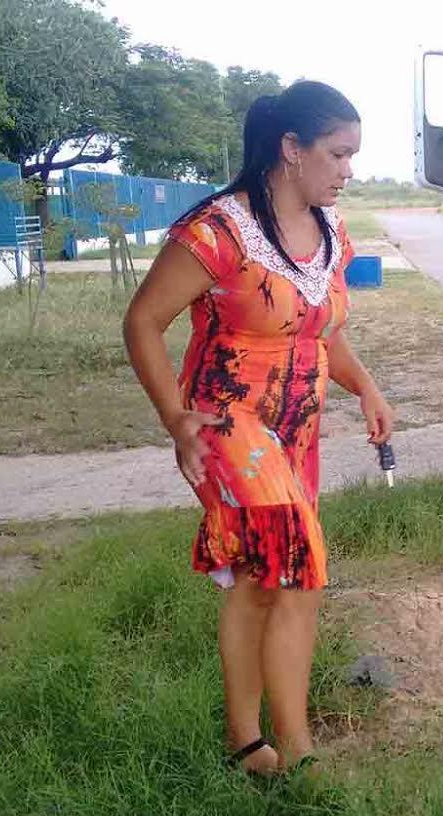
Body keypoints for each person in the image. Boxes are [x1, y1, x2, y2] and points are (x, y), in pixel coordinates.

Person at [123, 81, 394, 776]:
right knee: (300, 569)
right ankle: (300, 756)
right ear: (291, 149)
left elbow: (322, 333)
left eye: (353, 156)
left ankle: (246, 744)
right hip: (228, 423)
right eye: (338, 154)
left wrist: (364, 387)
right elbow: (143, 322)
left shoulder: (332, 236)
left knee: (257, 578)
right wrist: (176, 420)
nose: (348, 170)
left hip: (296, 434)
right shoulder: (219, 231)